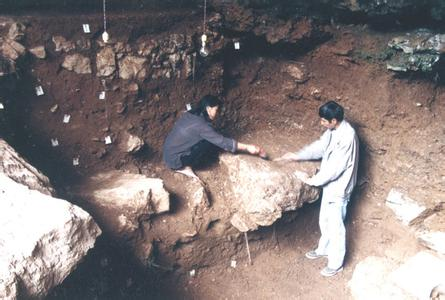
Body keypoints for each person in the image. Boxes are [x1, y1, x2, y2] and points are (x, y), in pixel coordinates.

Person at [275, 100, 359, 277]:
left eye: (323, 120)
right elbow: (320, 147)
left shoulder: (348, 136)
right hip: (330, 186)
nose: (321, 123)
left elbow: (335, 169)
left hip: (340, 188)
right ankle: (324, 249)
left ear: (334, 120)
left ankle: (336, 264)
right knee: (325, 220)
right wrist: (297, 156)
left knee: (336, 227)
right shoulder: (332, 131)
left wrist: (312, 180)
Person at [163, 95, 265, 180]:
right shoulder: (202, 126)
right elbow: (223, 142)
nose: (218, 113)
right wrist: (248, 147)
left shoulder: (190, 113)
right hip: (174, 161)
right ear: (208, 108)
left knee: (208, 138)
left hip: (168, 152)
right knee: (208, 142)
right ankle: (182, 167)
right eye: (216, 109)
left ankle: (182, 161)